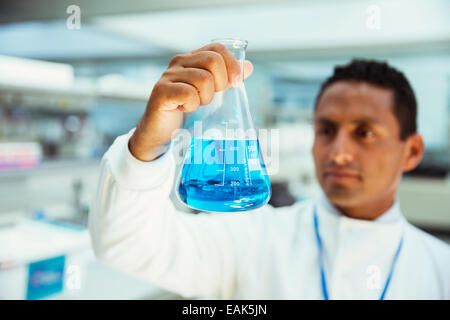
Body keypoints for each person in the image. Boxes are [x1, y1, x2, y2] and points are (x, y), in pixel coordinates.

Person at [89, 43, 450, 299]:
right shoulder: (254, 237)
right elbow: (126, 244)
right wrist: (148, 146)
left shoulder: (441, 272)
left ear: (412, 150)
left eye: (365, 133)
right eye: (326, 130)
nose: (338, 153)